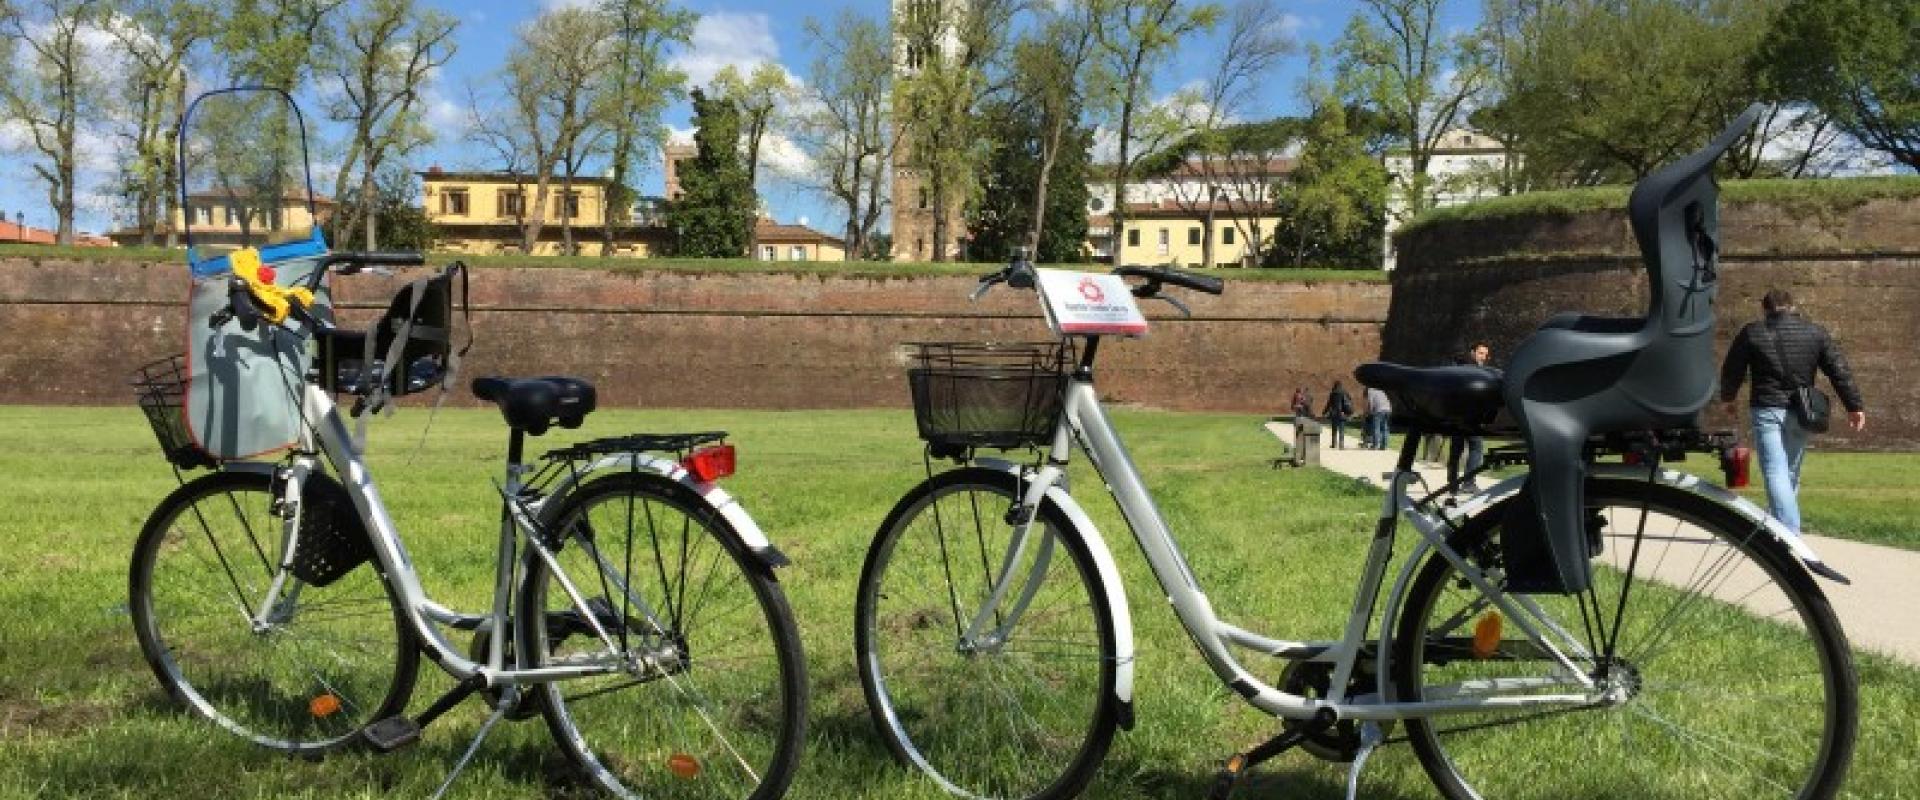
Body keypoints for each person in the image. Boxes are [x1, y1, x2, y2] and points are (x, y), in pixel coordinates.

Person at [1718, 289, 1866, 533]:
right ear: (1792, 306)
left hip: (1767, 407)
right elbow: (1839, 370)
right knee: (1789, 471)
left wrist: (1728, 399)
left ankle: (1788, 531)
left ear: (1764, 308)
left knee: (1775, 469)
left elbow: (1732, 369)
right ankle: (1779, 525)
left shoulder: (1752, 332)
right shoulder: (1815, 333)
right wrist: (1854, 406)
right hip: (1802, 409)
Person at [1448, 342, 1492, 489]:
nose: (1483, 357)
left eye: (1485, 354)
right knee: (1476, 448)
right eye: (1480, 353)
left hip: (1458, 416)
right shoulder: (1474, 370)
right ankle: (1468, 483)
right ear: (1472, 352)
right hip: (1470, 417)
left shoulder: (1457, 367)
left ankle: (1452, 483)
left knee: (1456, 450)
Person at [1322, 380, 1354, 449]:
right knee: (1341, 429)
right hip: (1342, 413)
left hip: (1334, 413)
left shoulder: (1333, 393)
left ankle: (1334, 444)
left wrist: (1324, 412)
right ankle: (1341, 445)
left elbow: (1329, 404)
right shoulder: (1344, 392)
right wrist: (1348, 411)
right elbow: (1349, 401)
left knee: (1334, 429)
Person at [1365, 386, 1393, 450]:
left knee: (1376, 428)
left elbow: (1371, 403)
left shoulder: (1370, 391)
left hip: (1379, 410)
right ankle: (1384, 446)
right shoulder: (1380, 390)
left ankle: (1375, 445)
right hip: (1388, 409)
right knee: (1385, 428)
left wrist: (1369, 413)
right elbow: (1387, 400)